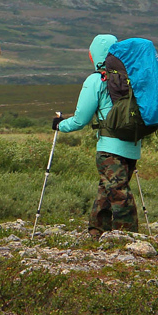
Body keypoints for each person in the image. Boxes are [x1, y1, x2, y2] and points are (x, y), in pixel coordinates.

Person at [53, 34, 140, 239]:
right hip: (133, 145)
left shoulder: (96, 80)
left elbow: (80, 119)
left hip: (109, 147)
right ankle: (97, 232)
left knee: (117, 192)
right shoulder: (131, 78)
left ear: (94, 55)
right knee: (108, 188)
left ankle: (126, 237)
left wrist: (60, 125)